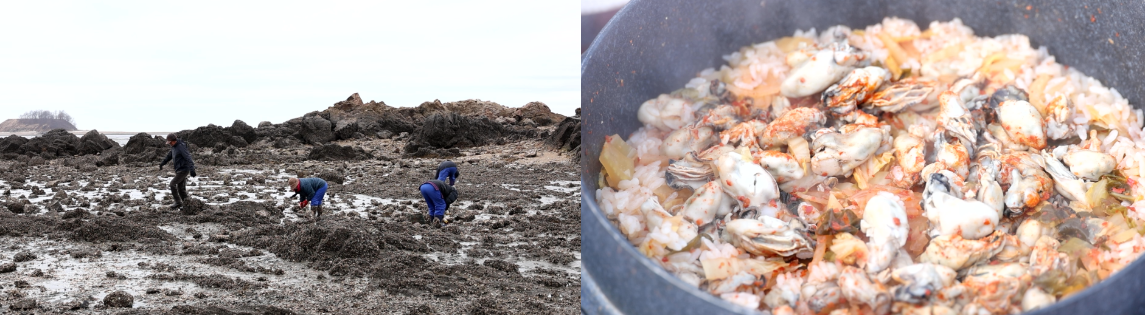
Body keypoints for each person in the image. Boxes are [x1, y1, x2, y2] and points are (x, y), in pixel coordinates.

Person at [159, 134, 196, 209]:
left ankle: (178, 202)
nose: (169, 144)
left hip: (183, 169)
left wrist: (192, 169)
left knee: (172, 184)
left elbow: (188, 157)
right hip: (179, 169)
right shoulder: (174, 147)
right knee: (181, 188)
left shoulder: (180, 147)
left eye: (170, 142)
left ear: (173, 141)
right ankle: (187, 205)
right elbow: (169, 156)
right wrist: (162, 163)